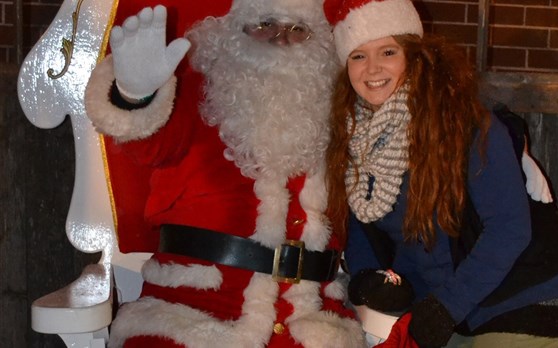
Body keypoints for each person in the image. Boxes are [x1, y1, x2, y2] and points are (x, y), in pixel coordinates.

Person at [84, 0, 365, 347]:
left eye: (297, 31)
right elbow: (149, 143)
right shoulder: (198, 91)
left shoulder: (335, 111)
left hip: (310, 320)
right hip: (192, 310)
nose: (280, 40)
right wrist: (135, 94)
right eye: (264, 25)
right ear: (235, 31)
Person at [322, 0, 558, 347]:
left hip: (524, 295)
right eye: (358, 55)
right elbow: (363, 224)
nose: (372, 68)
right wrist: (368, 280)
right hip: (453, 303)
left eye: (388, 52)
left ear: (414, 56)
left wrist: (444, 310)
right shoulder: (357, 138)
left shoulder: (466, 126)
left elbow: (509, 231)